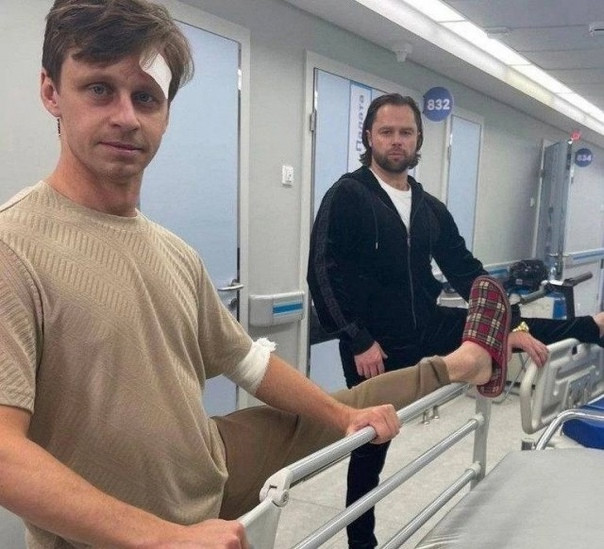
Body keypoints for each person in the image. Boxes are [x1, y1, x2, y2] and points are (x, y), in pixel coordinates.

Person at [0, 2, 514, 548]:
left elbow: (247, 361)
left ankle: (466, 362)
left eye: (146, 97)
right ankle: (465, 362)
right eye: (99, 89)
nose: (126, 116)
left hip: (208, 463)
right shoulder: (15, 248)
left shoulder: (174, 253)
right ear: (51, 92)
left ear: (166, 113)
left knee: (354, 407)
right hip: (132, 528)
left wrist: (339, 416)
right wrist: (163, 537)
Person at [307, 92, 604, 548]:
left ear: (418, 139)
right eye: (386, 132)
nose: (396, 140)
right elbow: (322, 272)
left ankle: (594, 327)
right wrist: (356, 338)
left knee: (516, 327)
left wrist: (507, 325)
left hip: (426, 325)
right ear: (368, 137)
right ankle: (361, 544)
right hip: (375, 346)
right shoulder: (347, 195)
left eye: (406, 132)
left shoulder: (428, 207)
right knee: (370, 450)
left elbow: (466, 271)